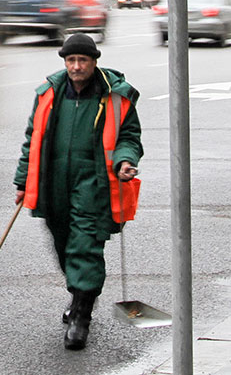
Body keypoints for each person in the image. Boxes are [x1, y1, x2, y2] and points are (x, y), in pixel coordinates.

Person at [13, 33, 142, 350]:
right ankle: (79, 295)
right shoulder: (49, 93)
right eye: (70, 60)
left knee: (84, 245)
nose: (76, 66)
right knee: (62, 242)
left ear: (94, 62)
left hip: (93, 180)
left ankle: (81, 316)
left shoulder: (115, 96)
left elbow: (129, 136)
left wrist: (125, 160)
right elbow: (34, 138)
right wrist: (22, 182)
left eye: (82, 60)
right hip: (54, 181)